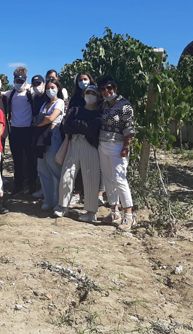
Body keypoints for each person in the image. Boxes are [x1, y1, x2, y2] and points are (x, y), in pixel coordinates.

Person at [54, 85, 102, 221]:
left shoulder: (99, 113)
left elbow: (92, 129)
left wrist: (77, 124)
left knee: (91, 178)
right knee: (66, 175)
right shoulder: (76, 110)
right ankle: (63, 206)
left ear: (98, 97)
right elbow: (67, 127)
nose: (90, 95)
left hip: (90, 146)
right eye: (88, 93)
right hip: (73, 144)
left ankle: (91, 211)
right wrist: (82, 126)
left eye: (93, 93)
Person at [97, 76, 136, 230]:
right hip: (103, 145)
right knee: (108, 179)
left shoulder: (124, 106)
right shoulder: (104, 105)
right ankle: (114, 211)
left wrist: (126, 146)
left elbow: (129, 128)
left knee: (120, 179)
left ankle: (129, 216)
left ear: (115, 88)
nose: (106, 91)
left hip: (118, 146)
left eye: (109, 88)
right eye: (103, 89)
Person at [3, 67, 37, 195]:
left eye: (21, 81)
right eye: (17, 80)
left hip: (28, 130)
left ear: (25, 80)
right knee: (17, 160)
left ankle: (32, 185)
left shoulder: (31, 93)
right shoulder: (10, 94)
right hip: (15, 131)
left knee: (30, 160)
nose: (19, 83)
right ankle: (18, 185)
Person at [32, 80, 65, 211]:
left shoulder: (59, 102)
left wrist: (40, 121)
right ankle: (48, 200)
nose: (50, 90)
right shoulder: (45, 104)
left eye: (53, 87)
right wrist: (42, 120)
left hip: (53, 136)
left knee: (54, 169)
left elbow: (51, 118)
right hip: (41, 137)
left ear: (58, 88)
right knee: (43, 169)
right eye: (48, 88)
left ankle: (58, 201)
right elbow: (39, 119)